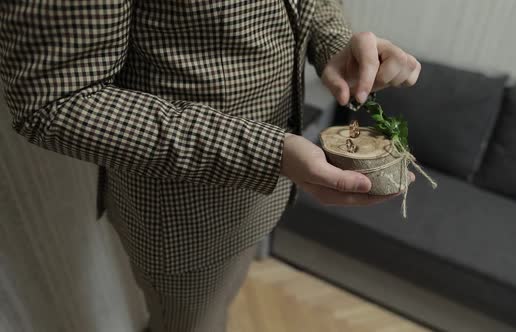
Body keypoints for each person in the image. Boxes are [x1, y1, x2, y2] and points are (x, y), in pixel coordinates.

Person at [0, 1, 420, 331]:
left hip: (261, 194)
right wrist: (267, 152)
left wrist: (336, 42)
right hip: (184, 224)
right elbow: (55, 100)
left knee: (215, 306)